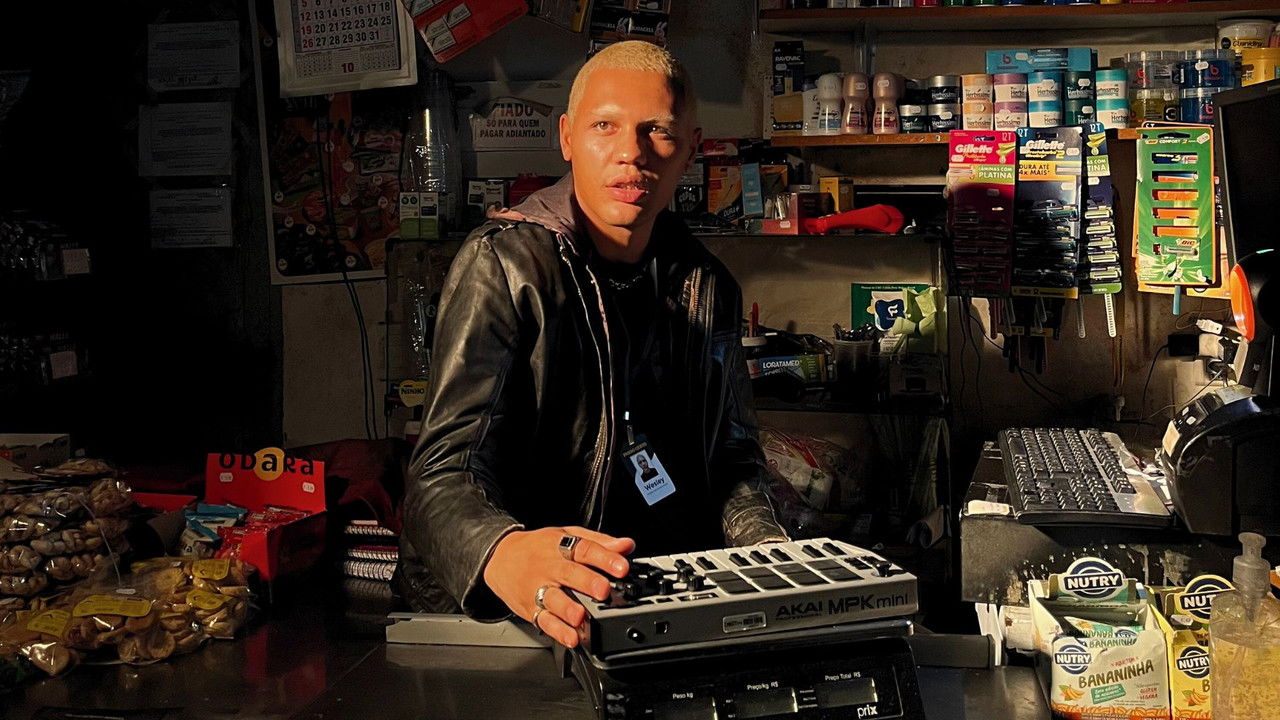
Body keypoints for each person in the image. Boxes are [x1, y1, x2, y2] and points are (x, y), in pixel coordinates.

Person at [399, 41, 792, 649]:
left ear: (691, 148)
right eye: (605, 126)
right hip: (510, 616)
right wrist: (501, 551)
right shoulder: (504, 266)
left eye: (657, 130)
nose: (631, 152)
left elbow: (732, 458)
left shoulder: (708, 285)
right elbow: (441, 473)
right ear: (567, 138)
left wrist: (770, 555)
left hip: (646, 598)